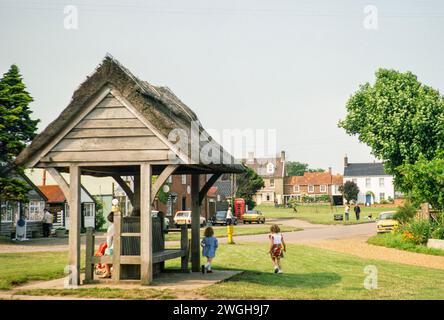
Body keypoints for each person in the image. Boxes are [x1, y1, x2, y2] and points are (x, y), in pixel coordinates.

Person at [100, 212, 114, 278]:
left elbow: (109, 243)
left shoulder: (111, 228)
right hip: (125, 248)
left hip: (114, 249)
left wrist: (108, 246)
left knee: (106, 254)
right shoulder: (123, 225)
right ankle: (107, 270)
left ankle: (108, 272)